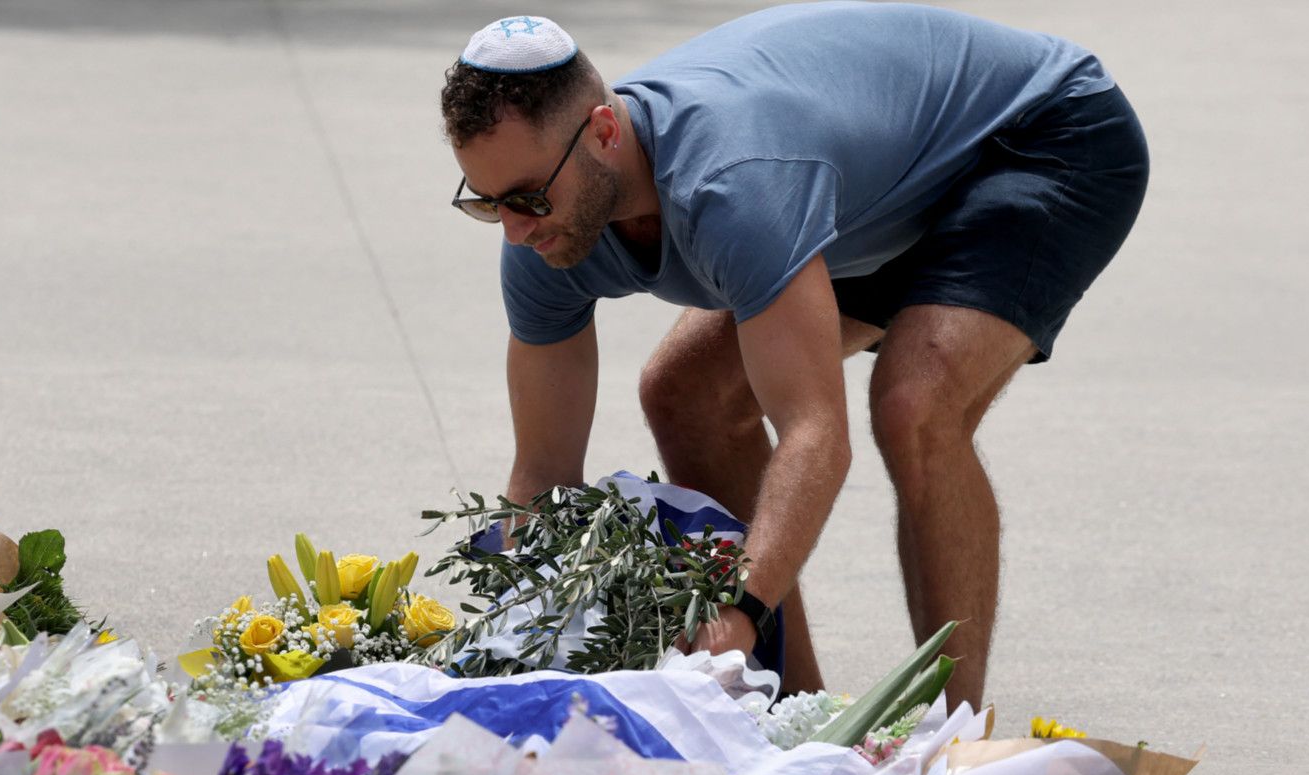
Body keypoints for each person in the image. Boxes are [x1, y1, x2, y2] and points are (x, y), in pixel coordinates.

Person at [439, 5, 1148, 705]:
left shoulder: (736, 185)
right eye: (487, 202)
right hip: (875, 190)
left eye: (529, 197)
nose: (513, 231)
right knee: (685, 395)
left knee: (915, 403)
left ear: (602, 132)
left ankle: (946, 746)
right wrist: (510, 646)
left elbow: (816, 433)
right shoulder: (540, 236)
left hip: (1042, 134)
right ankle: (794, 706)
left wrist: (739, 607)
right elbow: (543, 477)